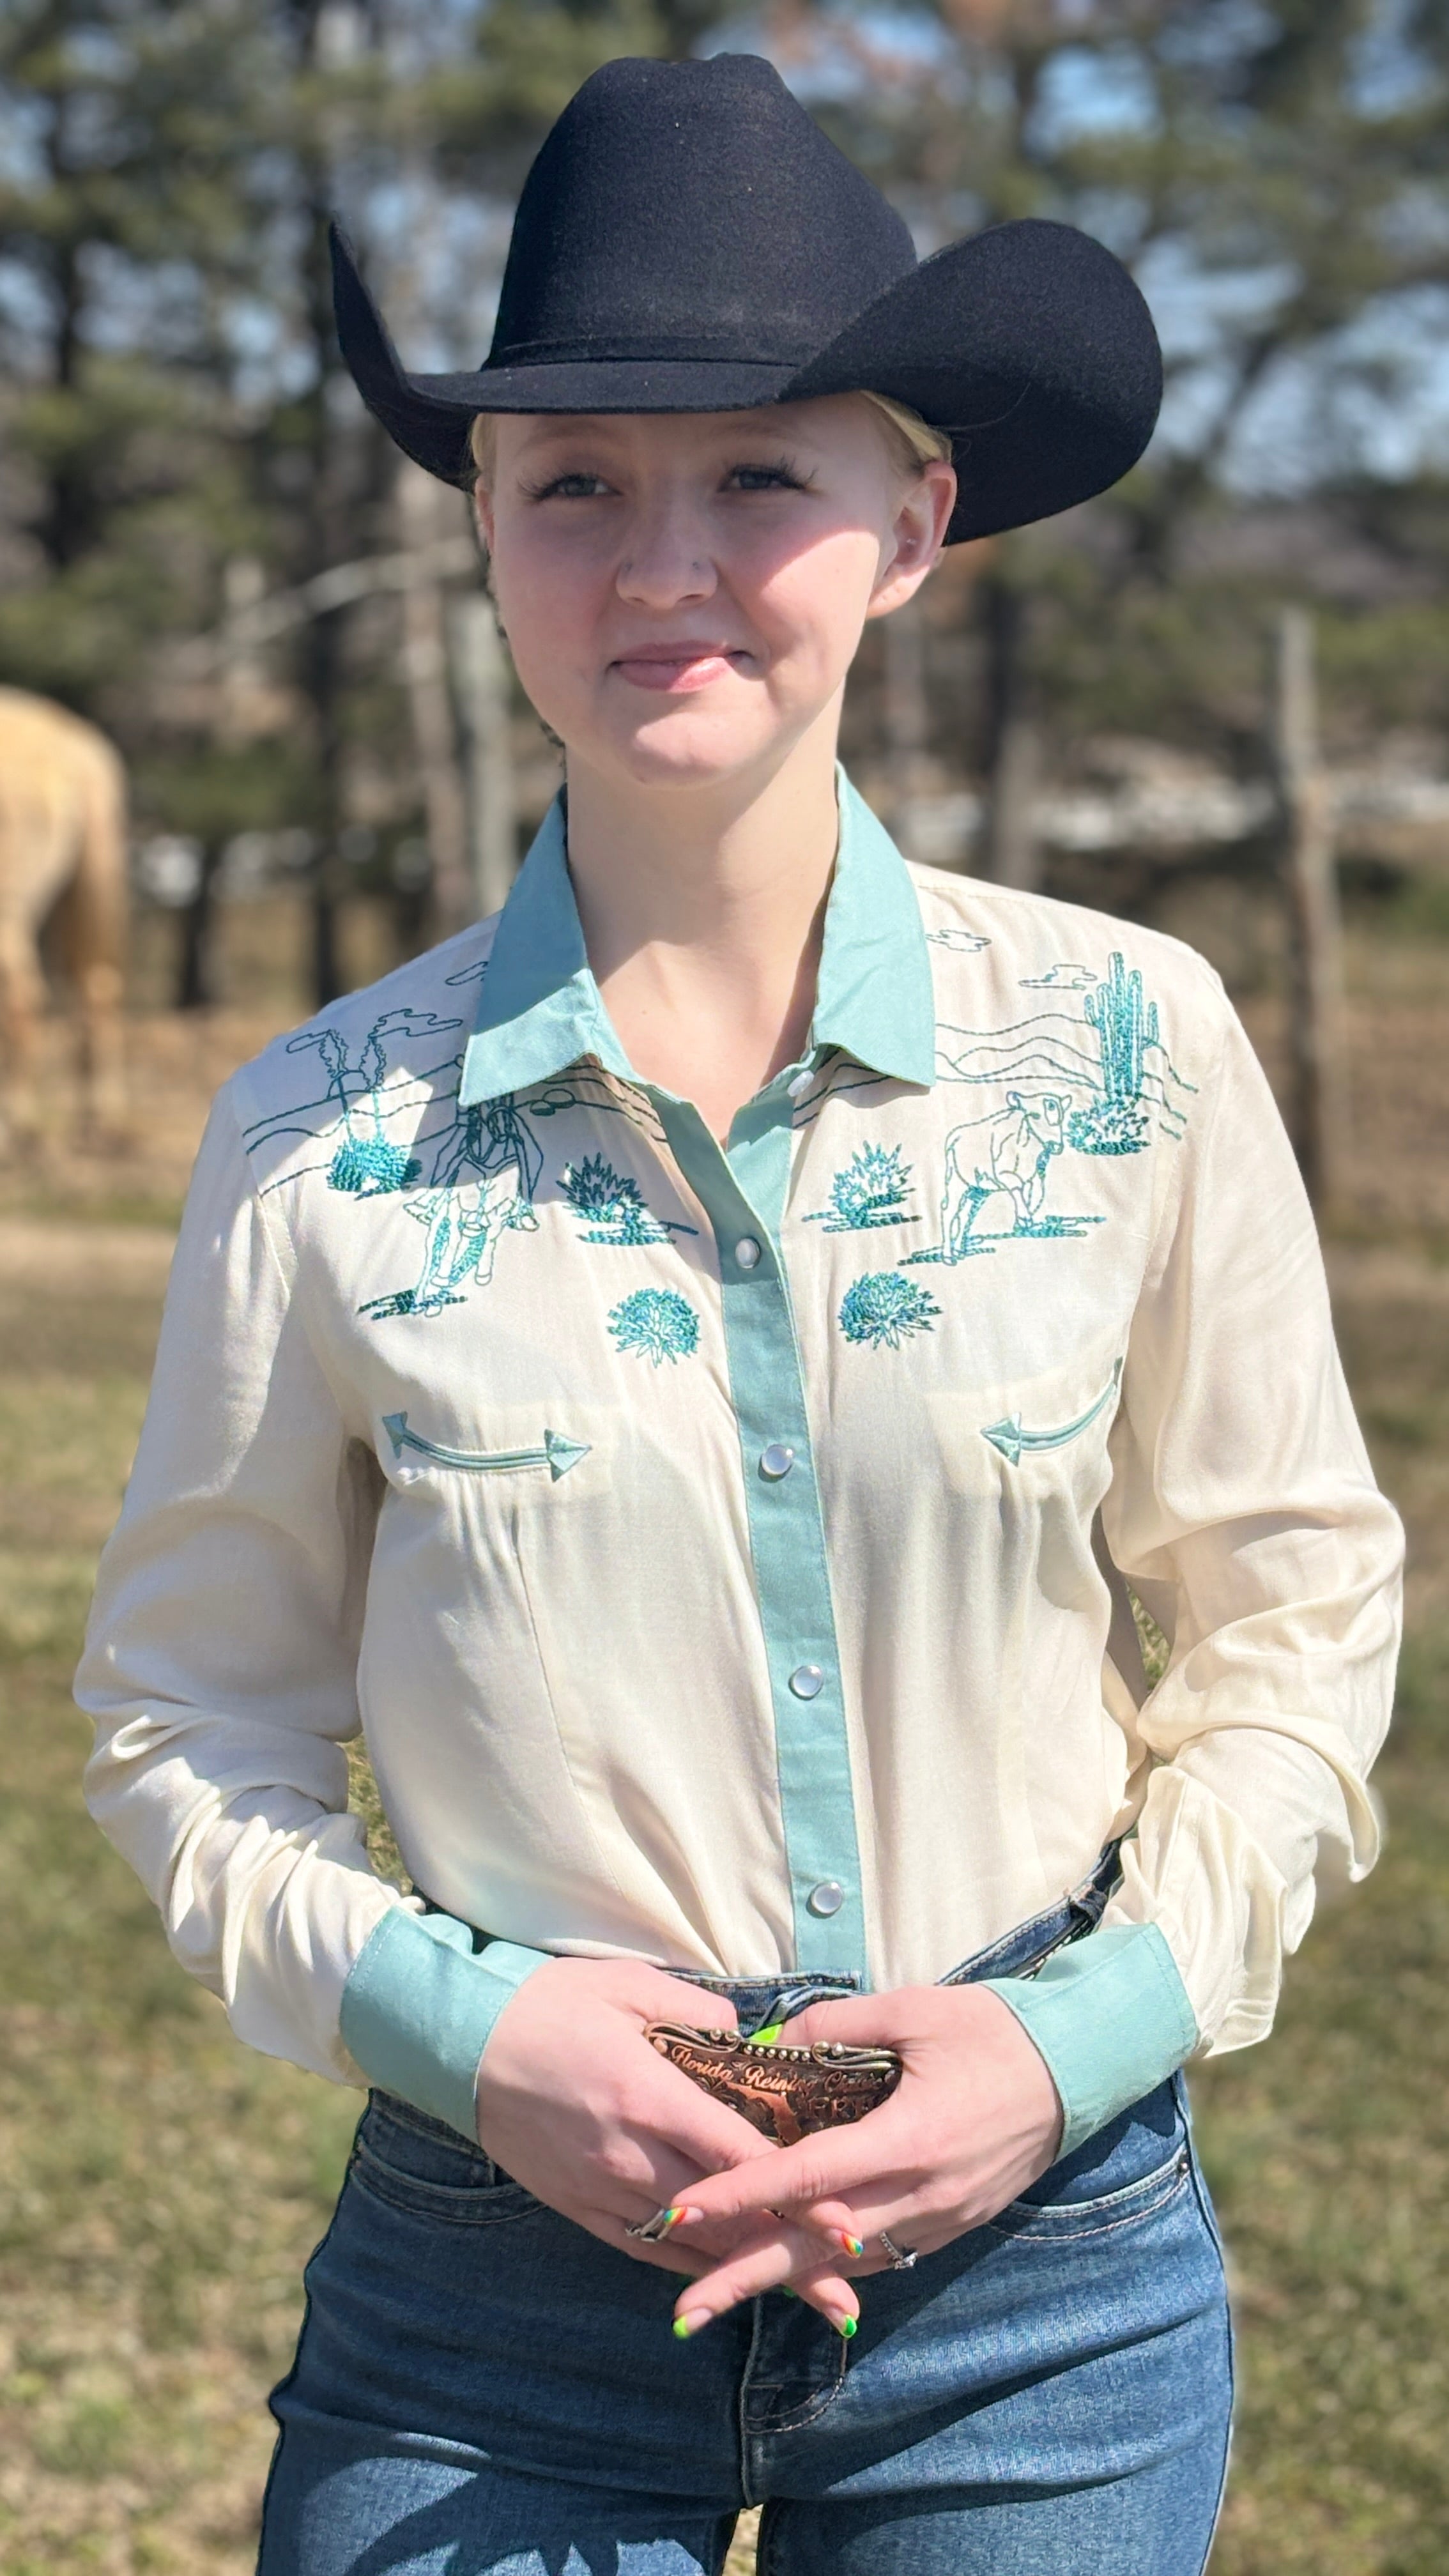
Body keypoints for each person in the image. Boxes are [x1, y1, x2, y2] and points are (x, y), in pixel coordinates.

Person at [76, 52, 1404, 2576]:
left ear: (914, 529)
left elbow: (1296, 1601)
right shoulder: (317, 1139)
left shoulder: (1133, 1054)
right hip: (498, 2297)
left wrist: (1071, 2039)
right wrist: (479, 2038)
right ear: (481, 528)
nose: (662, 562)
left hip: (1048, 2287)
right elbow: (185, 1719)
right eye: (574, 480)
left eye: (761, 476)